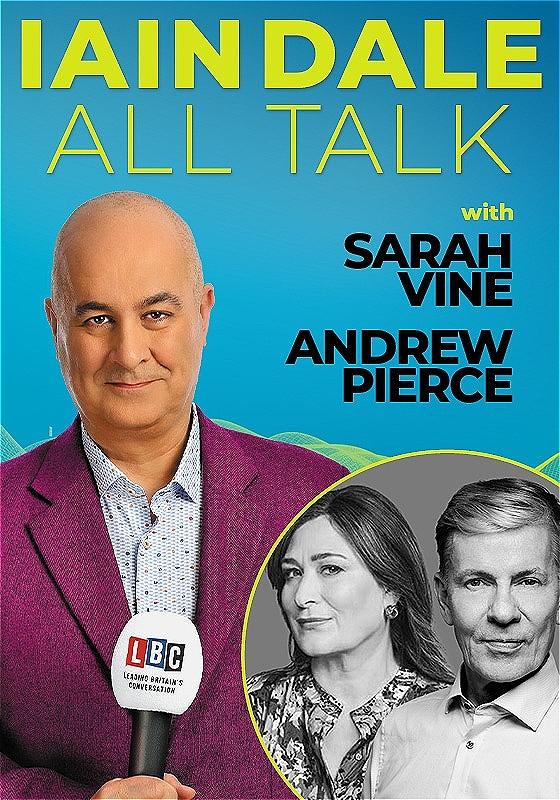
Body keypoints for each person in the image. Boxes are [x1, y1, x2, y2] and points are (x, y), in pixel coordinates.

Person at [0, 191, 348, 800]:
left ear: (203, 313)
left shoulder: (320, 498)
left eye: (156, 314)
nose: (129, 352)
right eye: (96, 318)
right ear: (55, 323)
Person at [247, 484, 452, 800]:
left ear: (391, 587)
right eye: (292, 574)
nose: (302, 596)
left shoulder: (453, 717)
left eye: (330, 569)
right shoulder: (250, 704)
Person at [370, 477, 560, 800]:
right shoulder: (395, 733)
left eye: (527, 582)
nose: (503, 612)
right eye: (477, 582)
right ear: (444, 599)